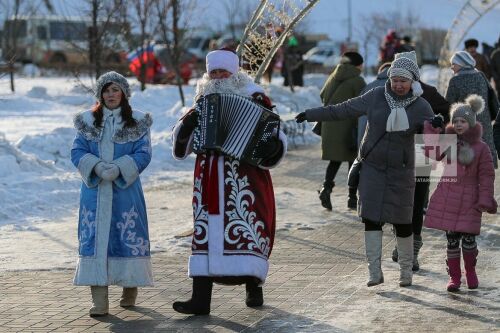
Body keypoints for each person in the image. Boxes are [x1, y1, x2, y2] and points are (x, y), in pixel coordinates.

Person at [296, 54, 434, 287]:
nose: (398, 85)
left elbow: (435, 145)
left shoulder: (421, 106)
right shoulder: (376, 95)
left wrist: (435, 127)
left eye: (404, 81)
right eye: (395, 80)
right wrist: (311, 114)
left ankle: (405, 272)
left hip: (402, 172)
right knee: (371, 219)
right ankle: (374, 272)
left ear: (413, 82)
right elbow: (343, 109)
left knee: (403, 221)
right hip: (373, 169)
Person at [171, 48, 287, 315]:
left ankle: (253, 287)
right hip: (209, 179)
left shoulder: (255, 97)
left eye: (224, 71)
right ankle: (200, 298)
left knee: (247, 232)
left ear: (235, 72)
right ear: (208, 75)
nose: (219, 76)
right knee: (205, 235)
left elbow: (275, 134)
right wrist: (187, 126)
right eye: (214, 72)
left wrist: (272, 147)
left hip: (245, 181)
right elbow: (180, 148)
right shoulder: (201, 101)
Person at [70, 71, 153, 317]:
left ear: (124, 93)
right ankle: (99, 300)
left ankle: (130, 287)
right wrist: (95, 166)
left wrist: (119, 168)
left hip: (126, 191)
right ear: (100, 95)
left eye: (115, 89)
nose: (111, 94)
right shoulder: (87, 121)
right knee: (94, 240)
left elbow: (143, 153)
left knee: (127, 237)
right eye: (106, 90)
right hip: (94, 192)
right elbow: (77, 150)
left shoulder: (138, 121)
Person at [423, 94, 497, 292]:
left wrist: (485, 198)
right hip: (448, 199)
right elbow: (430, 153)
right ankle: (454, 277)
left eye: (463, 121)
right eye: (455, 121)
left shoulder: (481, 148)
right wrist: (431, 129)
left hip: (470, 201)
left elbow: (487, 176)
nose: (458, 124)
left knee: (469, 241)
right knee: (452, 240)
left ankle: (470, 272)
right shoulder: (448, 143)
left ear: (471, 123)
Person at [389, 51, 451, 272]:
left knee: (413, 205)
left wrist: (435, 126)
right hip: (396, 158)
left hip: (421, 157)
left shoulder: (429, 93)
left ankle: (411, 251)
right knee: (401, 205)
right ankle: (402, 246)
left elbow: (446, 114)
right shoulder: (388, 93)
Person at [317, 51, 366, 211]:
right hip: (349, 128)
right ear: (358, 65)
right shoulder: (357, 80)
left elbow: (322, 94)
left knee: (335, 161)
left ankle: (326, 188)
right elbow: (363, 102)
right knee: (354, 162)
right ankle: (352, 197)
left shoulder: (333, 76)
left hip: (330, 126)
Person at [446, 50, 498, 168]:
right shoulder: (481, 75)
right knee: (484, 158)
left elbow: (448, 104)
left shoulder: (455, 80)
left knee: (468, 159)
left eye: (454, 64)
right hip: (484, 122)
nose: (452, 67)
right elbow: (491, 97)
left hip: (464, 124)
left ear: (461, 63)